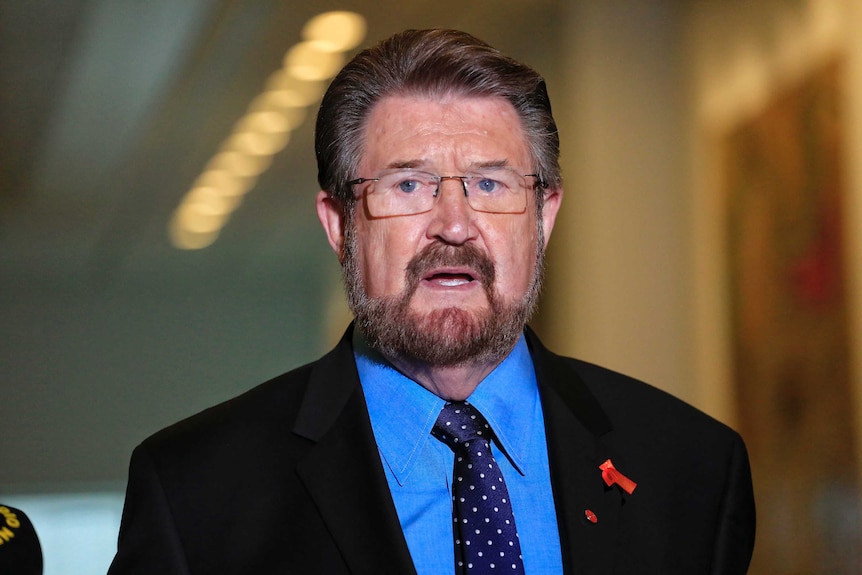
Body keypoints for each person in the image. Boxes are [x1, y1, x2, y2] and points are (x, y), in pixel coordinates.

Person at [108, 29, 755, 574]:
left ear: (543, 215)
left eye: (489, 182)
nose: (454, 223)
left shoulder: (691, 468)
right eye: (409, 183)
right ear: (340, 223)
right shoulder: (196, 492)